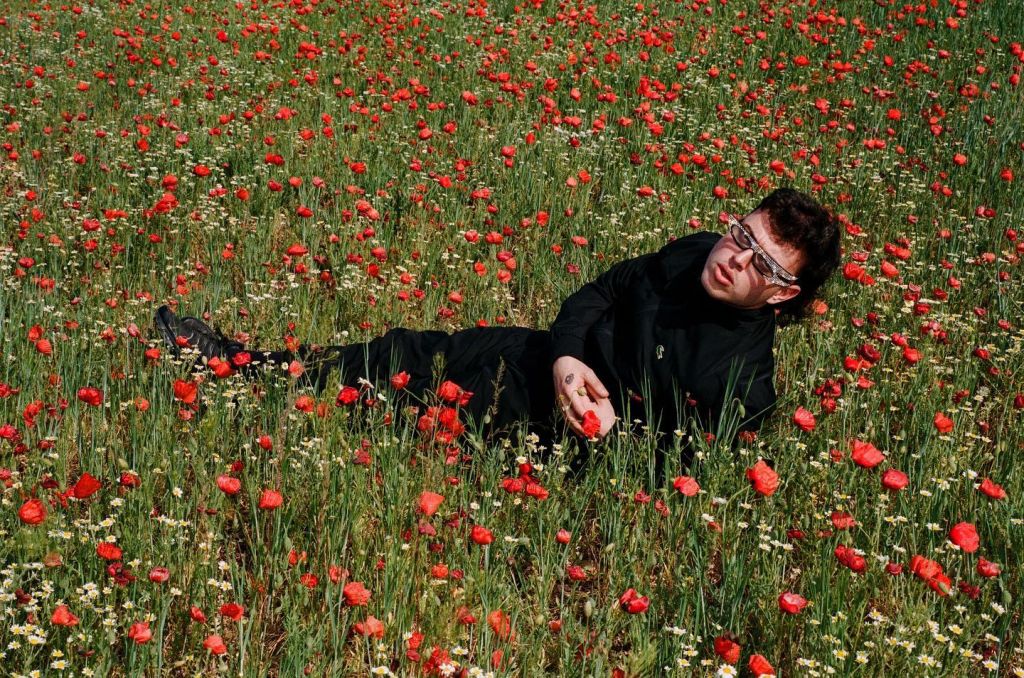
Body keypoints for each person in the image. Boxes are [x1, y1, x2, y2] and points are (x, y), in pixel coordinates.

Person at [154, 188, 840, 460]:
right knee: (399, 350)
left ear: (783, 298)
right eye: (737, 234)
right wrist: (568, 357)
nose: (732, 259)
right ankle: (237, 364)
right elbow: (599, 293)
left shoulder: (744, 387)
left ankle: (252, 406)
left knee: (393, 410)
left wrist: (590, 420)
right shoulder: (694, 253)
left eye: (760, 263)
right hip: (536, 354)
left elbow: (664, 470)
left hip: (546, 431)